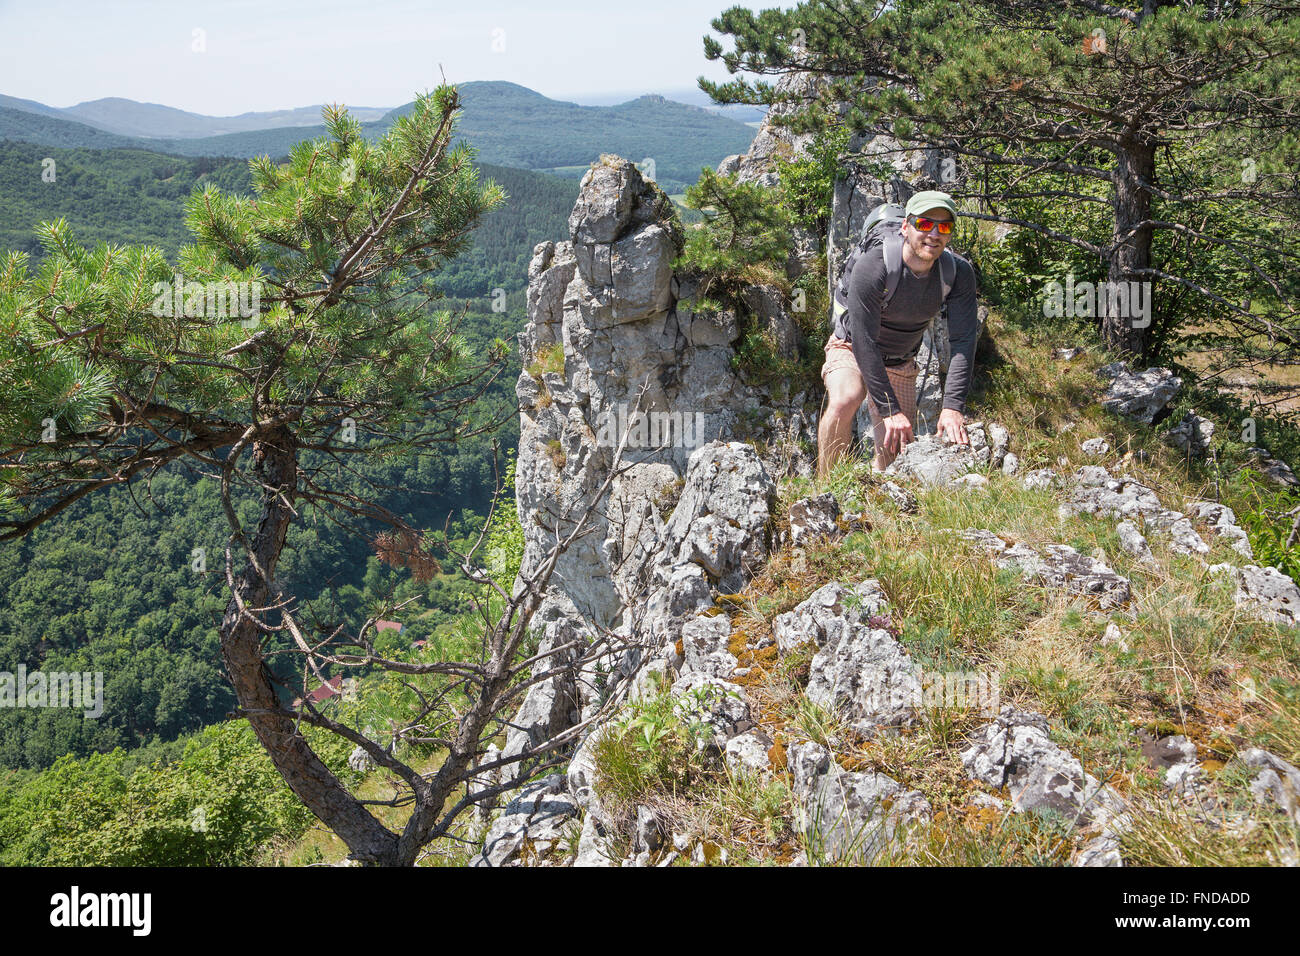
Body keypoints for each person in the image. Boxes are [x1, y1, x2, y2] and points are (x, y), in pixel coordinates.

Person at [817, 190, 980, 479]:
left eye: (944, 227)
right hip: (851, 345)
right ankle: (826, 487)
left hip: (900, 360)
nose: (933, 233)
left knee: (895, 455)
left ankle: (879, 498)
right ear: (906, 227)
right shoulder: (873, 265)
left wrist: (952, 406)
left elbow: (963, 341)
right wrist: (890, 410)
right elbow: (864, 341)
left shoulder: (958, 273)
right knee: (845, 399)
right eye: (924, 224)